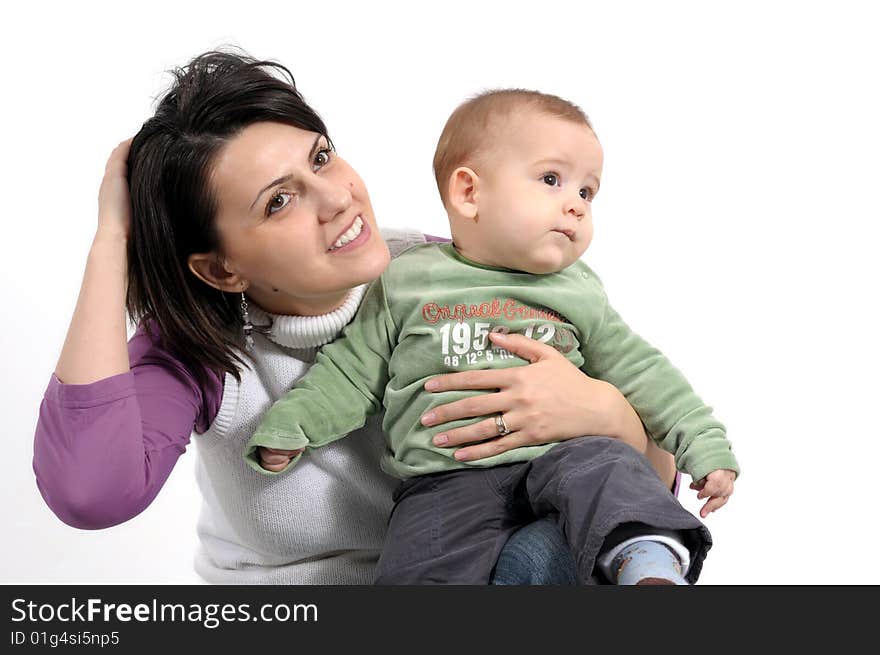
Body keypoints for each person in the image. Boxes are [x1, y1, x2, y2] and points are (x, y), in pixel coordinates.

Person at [33, 51, 672, 585]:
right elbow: (92, 491)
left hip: (471, 570)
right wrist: (111, 246)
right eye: (279, 201)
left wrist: (608, 417)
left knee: (569, 547)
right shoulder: (199, 355)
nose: (337, 197)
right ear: (221, 270)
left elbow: (652, 488)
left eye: (321, 157)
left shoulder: (440, 274)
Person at [247, 89, 741, 585]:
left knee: (610, 470)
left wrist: (704, 443)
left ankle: (647, 565)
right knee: (417, 562)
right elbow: (352, 371)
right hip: (443, 480)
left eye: (588, 193)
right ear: (469, 193)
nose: (575, 206)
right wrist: (295, 425)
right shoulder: (405, 281)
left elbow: (643, 371)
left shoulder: (578, 290)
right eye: (552, 180)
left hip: (563, 456)